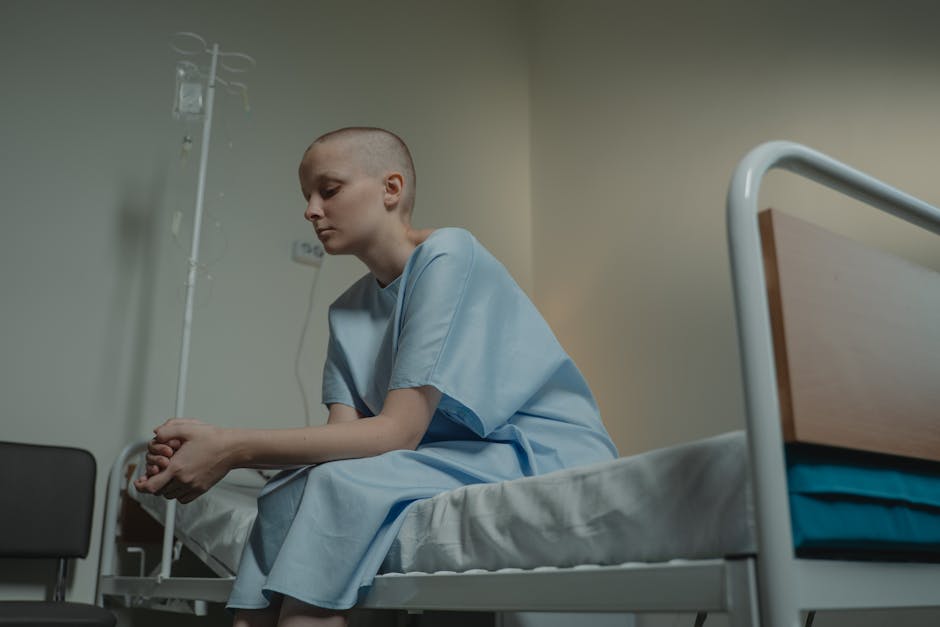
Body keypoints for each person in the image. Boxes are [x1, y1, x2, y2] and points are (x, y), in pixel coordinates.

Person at [135, 127, 618, 627]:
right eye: (306, 196)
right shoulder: (346, 311)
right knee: (286, 490)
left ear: (392, 189)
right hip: (441, 459)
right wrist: (205, 450)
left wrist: (231, 448)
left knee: (335, 486)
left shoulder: (449, 253)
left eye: (329, 189)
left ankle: (305, 615)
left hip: (537, 451)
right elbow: (343, 442)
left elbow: (397, 432)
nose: (310, 210)